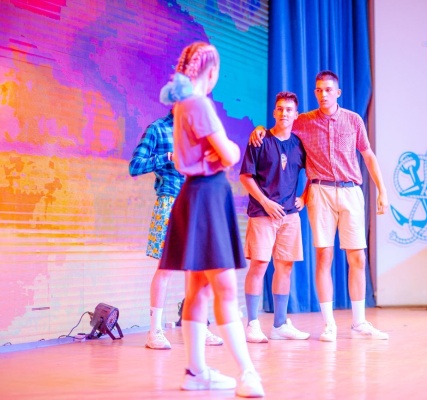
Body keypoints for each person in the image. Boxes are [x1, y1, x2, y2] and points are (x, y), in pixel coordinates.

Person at [250, 71, 389, 342]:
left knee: (357, 257)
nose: (323, 94)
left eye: (328, 90)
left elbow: (368, 156)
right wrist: (259, 129)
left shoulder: (353, 119)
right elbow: (279, 129)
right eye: (319, 90)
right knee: (324, 255)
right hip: (320, 191)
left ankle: (359, 322)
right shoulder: (303, 121)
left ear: (338, 93)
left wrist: (382, 190)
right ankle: (329, 324)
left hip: (350, 190)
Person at [158, 41, 264, 397]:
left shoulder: (182, 104)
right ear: (213, 71)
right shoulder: (199, 104)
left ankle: (196, 372)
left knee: (198, 290)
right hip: (206, 195)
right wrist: (230, 148)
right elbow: (229, 154)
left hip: (197, 195)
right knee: (224, 288)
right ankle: (247, 373)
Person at [129, 113, 224, 349]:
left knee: (198, 271)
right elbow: (135, 166)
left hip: (198, 203)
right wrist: (168, 157)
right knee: (166, 269)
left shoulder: (201, 131)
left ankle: (198, 328)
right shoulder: (158, 128)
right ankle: (155, 331)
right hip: (170, 200)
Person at [239, 91, 310, 343]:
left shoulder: (299, 145)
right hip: (262, 214)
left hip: (289, 216)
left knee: (285, 267)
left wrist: (304, 197)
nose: (284, 113)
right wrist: (265, 202)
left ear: (296, 115)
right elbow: (245, 177)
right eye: (280, 109)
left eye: (289, 110)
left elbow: (314, 174)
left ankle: (280, 324)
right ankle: (252, 324)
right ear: (273, 112)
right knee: (259, 265)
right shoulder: (259, 140)